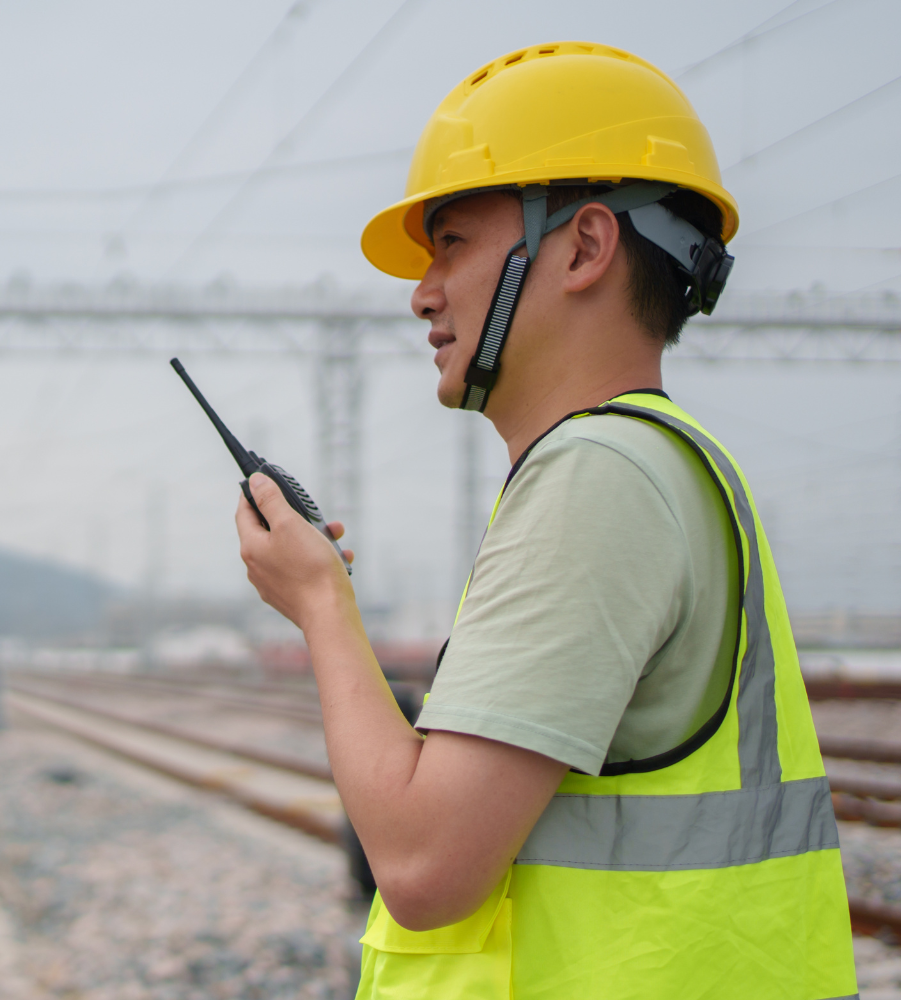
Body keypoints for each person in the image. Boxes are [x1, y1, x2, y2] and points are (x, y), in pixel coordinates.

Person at [231, 41, 858, 999]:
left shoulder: (598, 479)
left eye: (454, 242)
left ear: (586, 247)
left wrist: (321, 606)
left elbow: (423, 867)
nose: (421, 293)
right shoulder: (665, 463)